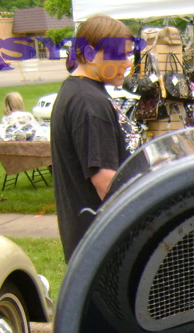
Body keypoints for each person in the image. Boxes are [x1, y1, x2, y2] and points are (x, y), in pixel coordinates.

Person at [51, 14, 136, 261]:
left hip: (98, 242)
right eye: (119, 55)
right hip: (103, 246)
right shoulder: (89, 103)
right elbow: (106, 182)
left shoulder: (84, 92)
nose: (128, 63)